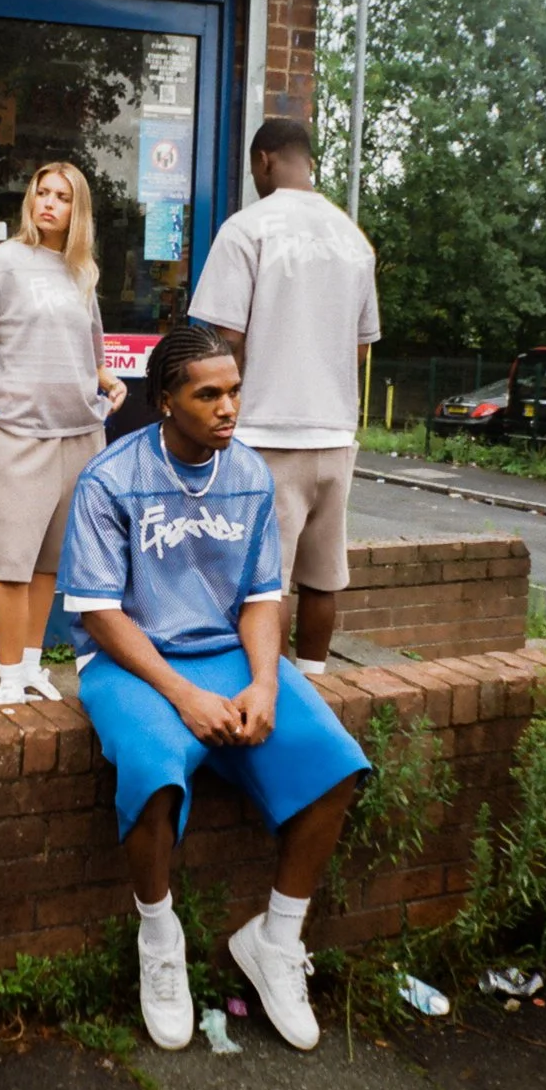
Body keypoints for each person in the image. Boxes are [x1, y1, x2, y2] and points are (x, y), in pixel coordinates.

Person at [57, 325, 369, 1051]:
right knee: (154, 771)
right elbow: (98, 613)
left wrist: (263, 681)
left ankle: (275, 941)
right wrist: (182, 696)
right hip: (131, 663)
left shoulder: (250, 473)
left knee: (333, 762)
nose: (227, 407)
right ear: (165, 401)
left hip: (228, 655)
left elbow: (264, 595)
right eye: (208, 394)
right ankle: (159, 945)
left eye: (232, 391)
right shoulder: (110, 477)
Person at [0, 161, 127, 706]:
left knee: (50, 565)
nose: (48, 203)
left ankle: (33, 666)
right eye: (42, 192)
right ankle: (9, 676)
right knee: (12, 564)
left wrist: (107, 379)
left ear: (77, 209)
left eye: (61, 196)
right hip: (20, 434)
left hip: (81, 435)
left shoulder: (83, 272)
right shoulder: (2, 265)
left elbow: (89, 351)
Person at [190, 118, 380, 675]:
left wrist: (218, 416)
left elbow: (224, 345)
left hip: (265, 439)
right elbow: (362, 349)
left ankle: (261, 693)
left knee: (258, 583)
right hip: (335, 438)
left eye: (254, 167)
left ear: (265, 160)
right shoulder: (353, 238)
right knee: (323, 578)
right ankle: (315, 688)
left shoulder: (249, 228)